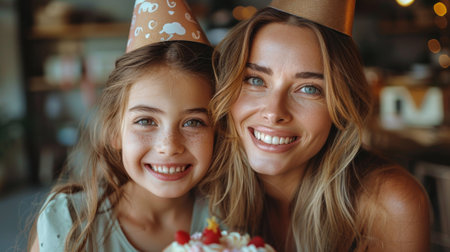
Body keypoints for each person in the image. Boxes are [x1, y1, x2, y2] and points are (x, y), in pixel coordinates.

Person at [200, 1, 431, 251]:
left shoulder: (388, 204)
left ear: (341, 106)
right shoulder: (197, 183)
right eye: (255, 80)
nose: (274, 112)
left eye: (309, 89)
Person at [28, 1, 215, 251]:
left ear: (218, 130)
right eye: (146, 121)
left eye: (193, 122)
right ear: (115, 131)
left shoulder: (231, 219)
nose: (169, 147)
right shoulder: (68, 224)